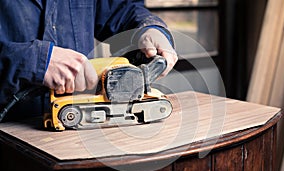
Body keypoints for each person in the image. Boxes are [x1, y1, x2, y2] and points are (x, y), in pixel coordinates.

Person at [0, 0, 178, 120]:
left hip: (78, 124)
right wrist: (32, 61)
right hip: (9, 138)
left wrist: (148, 29)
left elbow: (118, 9)